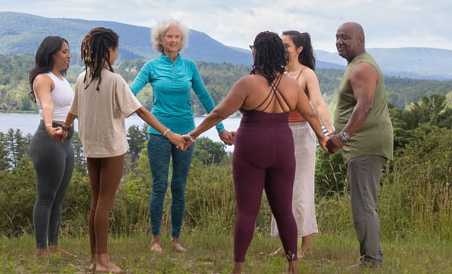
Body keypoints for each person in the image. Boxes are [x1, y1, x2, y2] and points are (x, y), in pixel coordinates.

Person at [185, 31, 326, 274]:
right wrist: (324, 139)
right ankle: (293, 267)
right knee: (284, 210)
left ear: (257, 52)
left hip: (251, 146)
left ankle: (238, 269)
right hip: (283, 146)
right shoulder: (291, 84)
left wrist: (192, 135)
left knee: (247, 211)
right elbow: (311, 114)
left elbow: (219, 114)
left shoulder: (247, 83)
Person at [74, 27, 192, 274]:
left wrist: (62, 129)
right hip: (112, 147)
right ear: (109, 50)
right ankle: (104, 261)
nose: (117, 55)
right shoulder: (114, 80)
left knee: (95, 202)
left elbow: (73, 112)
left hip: (91, 147)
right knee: (104, 204)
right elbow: (141, 110)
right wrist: (168, 133)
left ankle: (95, 258)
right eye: (116, 50)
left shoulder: (82, 78)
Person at [128, 18, 233, 252]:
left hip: (187, 135)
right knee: (159, 187)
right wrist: (115, 105)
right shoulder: (151, 67)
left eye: (177, 37)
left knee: (179, 186)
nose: (173, 40)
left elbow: (206, 99)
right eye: (169, 36)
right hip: (158, 134)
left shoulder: (190, 67)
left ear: (181, 40)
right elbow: (130, 94)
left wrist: (220, 128)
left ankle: (175, 240)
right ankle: (156, 240)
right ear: (160, 40)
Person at [323, 22, 393, 269]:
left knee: (363, 206)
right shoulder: (355, 65)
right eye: (337, 37)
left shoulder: (362, 68)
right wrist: (338, 132)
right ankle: (370, 258)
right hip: (360, 144)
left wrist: (342, 137)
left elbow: (364, 106)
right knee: (362, 204)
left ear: (361, 40)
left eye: (346, 38)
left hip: (366, 146)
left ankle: (372, 261)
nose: (339, 42)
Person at [268, 30, 331, 259]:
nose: (284, 49)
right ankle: (286, 244)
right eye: (281, 45)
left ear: (299, 49)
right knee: (279, 190)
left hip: (302, 135)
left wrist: (330, 132)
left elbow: (318, 104)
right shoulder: (276, 73)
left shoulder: (306, 74)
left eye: (287, 45)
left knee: (301, 190)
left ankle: (304, 247)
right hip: (279, 134)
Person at [28, 35, 80, 260]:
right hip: (49, 141)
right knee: (46, 197)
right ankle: (41, 249)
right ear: (51, 54)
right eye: (64, 51)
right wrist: (50, 127)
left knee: (58, 198)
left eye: (69, 51)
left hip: (66, 141)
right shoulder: (43, 78)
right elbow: (47, 104)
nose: (69, 55)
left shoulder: (62, 79)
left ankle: (54, 246)